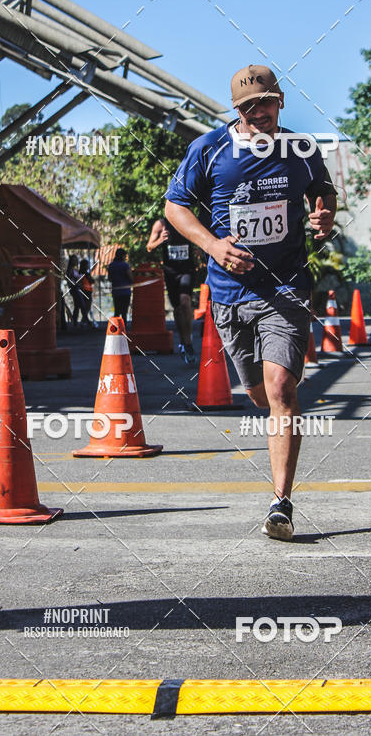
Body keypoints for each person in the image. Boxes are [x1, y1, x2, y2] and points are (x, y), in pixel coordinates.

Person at [164, 64, 337, 541]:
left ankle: (280, 503)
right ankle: (273, 420)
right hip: (229, 293)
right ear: (237, 111)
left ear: (280, 102)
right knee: (259, 394)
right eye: (249, 107)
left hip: (286, 286)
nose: (260, 112)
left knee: (281, 387)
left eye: (268, 103)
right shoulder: (208, 149)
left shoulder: (300, 148)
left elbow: (322, 190)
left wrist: (324, 214)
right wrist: (213, 246)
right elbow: (175, 206)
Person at [147, 215, 197, 364]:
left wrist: (199, 249)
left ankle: (188, 343)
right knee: (177, 309)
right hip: (171, 272)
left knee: (185, 302)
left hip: (187, 269)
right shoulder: (161, 224)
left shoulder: (188, 218)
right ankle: (183, 341)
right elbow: (149, 246)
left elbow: (199, 237)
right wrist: (160, 240)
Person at [108, 248, 133, 327]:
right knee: (124, 312)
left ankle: (116, 328)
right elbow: (130, 277)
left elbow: (109, 278)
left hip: (116, 291)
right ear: (122, 256)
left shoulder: (111, 265)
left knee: (117, 311)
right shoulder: (125, 265)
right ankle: (123, 327)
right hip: (125, 291)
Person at [65, 254, 83, 327]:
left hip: (77, 288)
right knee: (81, 304)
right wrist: (76, 281)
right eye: (74, 260)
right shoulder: (70, 270)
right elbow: (69, 280)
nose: (76, 261)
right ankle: (81, 321)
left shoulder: (75, 269)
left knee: (77, 305)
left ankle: (75, 321)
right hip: (74, 289)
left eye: (76, 260)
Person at [78, 258, 95, 328]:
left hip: (86, 290)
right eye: (87, 265)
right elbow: (92, 281)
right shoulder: (85, 273)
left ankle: (84, 321)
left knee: (86, 307)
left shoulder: (80, 273)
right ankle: (84, 321)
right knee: (87, 307)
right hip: (86, 291)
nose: (88, 266)